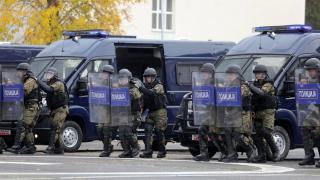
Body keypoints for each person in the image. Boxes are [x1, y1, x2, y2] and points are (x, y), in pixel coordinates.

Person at [222, 65, 256, 162]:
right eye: (229, 75)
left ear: (237, 75)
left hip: (242, 114)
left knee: (238, 134)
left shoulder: (243, 86)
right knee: (227, 131)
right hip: (231, 113)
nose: (229, 76)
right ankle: (232, 154)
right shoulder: (229, 85)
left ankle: (251, 149)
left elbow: (237, 96)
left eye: (231, 74)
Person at [192, 63, 224, 161]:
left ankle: (225, 152)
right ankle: (204, 154)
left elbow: (222, 97)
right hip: (209, 112)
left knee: (216, 134)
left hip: (218, 113)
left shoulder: (218, 83)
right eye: (203, 73)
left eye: (206, 73)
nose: (204, 75)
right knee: (202, 129)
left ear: (212, 73)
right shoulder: (204, 84)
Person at [248, 64, 279, 163]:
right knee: (256, 134)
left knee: (266, 131)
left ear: (264, 74)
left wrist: (250, 86)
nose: (257, 75)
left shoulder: (268, 83)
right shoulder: (255, 84)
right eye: (256, 73)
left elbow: (261, 93)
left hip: (268, 112)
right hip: (258, 111)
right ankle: (262, 155)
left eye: (259, 73)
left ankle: (275, 151)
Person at [7, 63, 40, 154]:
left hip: (31, 107)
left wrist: (12, 86)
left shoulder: (30, 80)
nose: (18, 74)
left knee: (22, 125)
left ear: (26, 72)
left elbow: (23, 91)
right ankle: (30, 147)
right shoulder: (25, 80)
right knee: (28, 127)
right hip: (28, 106)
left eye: (20, 71)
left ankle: (16, 146)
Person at [38, 67, 68, 154]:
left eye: (49, 74)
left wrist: (37, 81)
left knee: (55, 127)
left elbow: (49, 90)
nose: (47, 76)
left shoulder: (58, 83)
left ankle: (50, 148)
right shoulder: (49, 83)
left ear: (54, 76)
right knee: (56, 127)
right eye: (46, 74)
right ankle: (59, 148)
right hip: (55, 109)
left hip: (61, 109)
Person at [138, 67, 168, 158]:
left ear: (154, 77)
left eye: (150, 77)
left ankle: (162, 151)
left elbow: (152, 94)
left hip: (160, 112)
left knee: (159, 131)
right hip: (151, 112)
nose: (148, 79)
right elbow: (144, 100)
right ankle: (148, 151)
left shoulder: (159, 86)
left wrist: (141, 88)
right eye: (147, 77)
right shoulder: (145, 87)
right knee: (147, 129)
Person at [297, 58, 320, 168]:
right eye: (308, 70)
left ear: (317, 69)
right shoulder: (308, 80)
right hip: (313, 111)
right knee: (304, 128)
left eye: (312, 70)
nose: (310, 72)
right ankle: (309, 155)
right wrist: (302, 86)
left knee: (318, 133)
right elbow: (303, 96)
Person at [117, 69, 142, 158]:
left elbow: (128, 97)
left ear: (129, 79)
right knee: (121, 132)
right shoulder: (119, 88)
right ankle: (126, 150)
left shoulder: (134, 89)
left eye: (124, 78)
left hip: (134, 115)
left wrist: (117, 94)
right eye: (120, 78)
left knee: (127, 130)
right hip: (124, 115)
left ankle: (136, 147)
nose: (122, 80)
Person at [94, 65, 115, 157]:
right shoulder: (100, 83)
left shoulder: (114, 83)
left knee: (106, 130)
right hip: (102, 110)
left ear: (108, 74)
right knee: (99, 130)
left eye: (103, 72)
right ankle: (108, 145)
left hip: (111, 110)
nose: (101, 74)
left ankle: (106, 150)